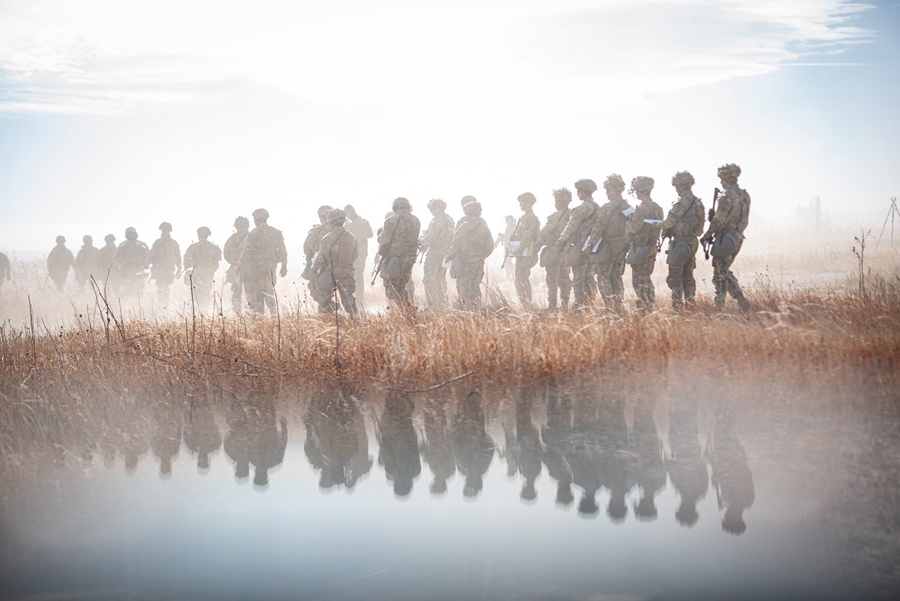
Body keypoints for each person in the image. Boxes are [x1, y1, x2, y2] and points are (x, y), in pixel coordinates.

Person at [701, 163, 751, 311]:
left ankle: (719, 305)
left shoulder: (726, 196)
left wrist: (707, 235)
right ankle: (739, 297)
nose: (721, 182)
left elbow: (718, 220)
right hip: (738, 237)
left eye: (722, 179)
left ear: (726, 179)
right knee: (723, 268)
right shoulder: (744, 195)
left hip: (726, 238)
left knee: (719, 273)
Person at [661, 171, 706, 309]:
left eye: (677, 187)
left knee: (675, 277)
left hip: (680, 243)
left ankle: (676, 307)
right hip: (692, 242)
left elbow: (669, 222)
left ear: (680, 187)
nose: (676, 190)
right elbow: (700, 227)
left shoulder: (681, 203)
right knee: (688, 276)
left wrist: (656, 224)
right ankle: (691, 304)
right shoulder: (698, 202)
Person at [589, 174, 632, 312]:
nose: (606, 192)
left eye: (608, 189)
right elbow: (634, 223)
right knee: (616, 276)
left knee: (603, 276)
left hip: (607, 247)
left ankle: (609, 307)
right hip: (622, 246)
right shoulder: (627, 206)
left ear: (615, 190)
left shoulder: (608, 207)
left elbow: (599, 227)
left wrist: (590, 244)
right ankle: (619, 305)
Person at [558, 179, 600, 310]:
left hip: (579, 247)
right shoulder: (598, 207)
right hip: (592, 247)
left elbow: (571, 227)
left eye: (578, 191)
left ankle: (579, 305)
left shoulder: (581, 209)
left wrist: (561, 239)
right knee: (590, 275)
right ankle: (591, 301)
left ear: (583, 193)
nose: (577, 194)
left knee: (578, 277)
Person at [237, 208, 288, 315]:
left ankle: (259, 318)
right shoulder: (276, 232)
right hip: (271, 268)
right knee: (269, 292)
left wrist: (239, 266)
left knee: (256, 294)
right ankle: (275, 317)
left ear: (257, 219)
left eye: (254, 219)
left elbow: (246, 251)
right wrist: (284, 266)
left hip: (257, 269)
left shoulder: (254, 233)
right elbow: (283, 251)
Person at [447, 200, 494, 309]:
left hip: (465, 262)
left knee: (464, 286)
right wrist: (482, 256)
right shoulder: (484, 228)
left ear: (467, 213)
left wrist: (450, 256)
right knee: (475, 285)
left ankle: (466, 311)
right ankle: (477, 309)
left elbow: (456, 244)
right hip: (479, 261)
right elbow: (490, 246)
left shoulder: (464, 226)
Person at [626, 176, 664, 310]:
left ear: (639, 191)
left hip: (640, 248)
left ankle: (643, 307)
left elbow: (635, 228)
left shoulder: (642, 208)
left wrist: (629, 221)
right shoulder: (658, 207)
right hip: (652, 246)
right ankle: (651, 303)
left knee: (639, 280)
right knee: (647, 277)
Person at [313, 208, 359, 315]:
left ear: (331, 221)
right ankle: (356, 320)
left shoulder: (327, 238)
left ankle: (326, 321)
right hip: (347, 271)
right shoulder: (351, 237)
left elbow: (321, 256)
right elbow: (355, 254)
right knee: (348, 299)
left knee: (325, 300)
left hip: (331, 273)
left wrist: (314, 270)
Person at [377, 197, 420, 306]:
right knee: (401, 286)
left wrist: (379, 236)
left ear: (395, 207)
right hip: (410, 257)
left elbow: (385, 239)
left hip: (395, 258)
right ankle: (407, 311)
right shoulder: (415, 220)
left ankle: (407, 310)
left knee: (391, 288)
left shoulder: (391, 220)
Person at [538, 188, 573, 312]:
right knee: (565, 278)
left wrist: (537, 244)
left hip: (555, 252)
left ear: (558, 201)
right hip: (567, 252)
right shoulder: (572, 215)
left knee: (552, 279)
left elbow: (546, 231)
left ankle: (552, 306)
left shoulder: (556, 216)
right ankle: (565, 303)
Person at [419, 198, 455, 310]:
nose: (431, 211)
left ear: (438, 208)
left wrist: (421, 242)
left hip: (435, 252)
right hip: (447, 253)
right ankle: (443, 303)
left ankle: (432, 305)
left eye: (432, 209)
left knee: (429, 278)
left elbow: (431, 237)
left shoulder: (437, 220)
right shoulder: (450, 220)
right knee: (441, 277)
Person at [508, 192, 541, 307]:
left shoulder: (529, 218)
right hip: (523, 253)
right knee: (520, 279)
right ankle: (526, 303)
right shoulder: (524, 218)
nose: (520, 204)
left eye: (522, 202)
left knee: (522, 279)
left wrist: (518, 250)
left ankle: (527, 304)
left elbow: (527, 237)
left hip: (525, 254)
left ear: (528, 203)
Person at [302, 205, 334, 312]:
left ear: (320, 217)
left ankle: (326, 317)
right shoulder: (340, 230)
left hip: (320, 267)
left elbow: (307, 249)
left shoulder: (316, 231)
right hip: (339, 267)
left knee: (317, 290)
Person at [183, 226, 222, 311]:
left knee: (196, 291)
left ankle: (197, 310)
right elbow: (219, 258)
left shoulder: (194, 246)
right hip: (209, 273)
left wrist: (187, 265)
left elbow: (186, 256)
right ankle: (205, 309)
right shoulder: (214, 247)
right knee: (206, 291)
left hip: (197, 272)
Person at [344, 205, 373, 309]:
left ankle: (360, 298)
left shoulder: (363, 222)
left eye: (349, 213)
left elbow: (370, 234)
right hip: (349, 255)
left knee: (358, 277)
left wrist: (357, 233)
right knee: (350, 277)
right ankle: (354, 298)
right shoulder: (346, 224)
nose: (348, 216)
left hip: (360, 254)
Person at [147, 222, 182, 303]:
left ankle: (162, 304)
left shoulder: (158, 242)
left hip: (159, 268)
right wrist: (179, 268)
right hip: (170, 268)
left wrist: (146, 264)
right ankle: (165, 303)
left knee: (161, 285)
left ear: (161, 230)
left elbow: (152, 255)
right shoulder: (174, 242)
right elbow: (178, 257)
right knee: (165, 285)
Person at [223, 216, 250, 313]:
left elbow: (226, 253)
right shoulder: (253, 236)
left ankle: (237, 313)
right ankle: (253, 313)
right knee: (251, 292)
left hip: (236, 269)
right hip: (251, 268)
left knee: (236, 293)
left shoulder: (233, 238)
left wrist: (233, 262)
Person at [115, 227, 150, 296]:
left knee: (126, 290)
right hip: (139, 270)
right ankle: (139, 306)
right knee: (139, 291)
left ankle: (123, 305)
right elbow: (147, 259)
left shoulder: (122, 246)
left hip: (126, 271)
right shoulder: (142, 246)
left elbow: (117, 259)